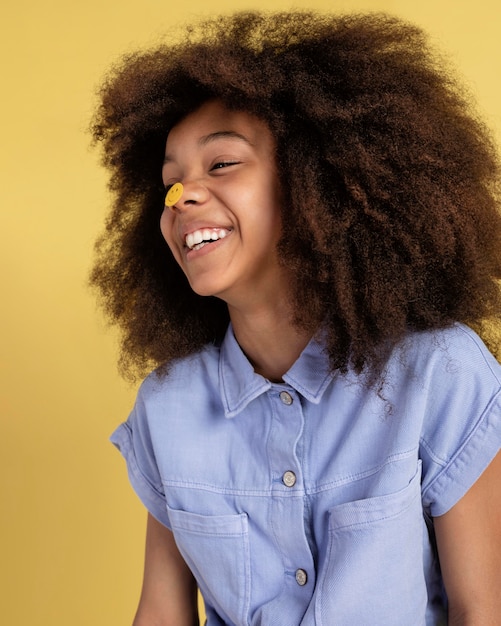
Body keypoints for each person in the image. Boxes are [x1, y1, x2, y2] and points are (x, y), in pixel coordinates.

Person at [90, 11, 501, 625]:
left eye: (221, 164)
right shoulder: (166, 407)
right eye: (171, 186)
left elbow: (484, 610)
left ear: (319, 183)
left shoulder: (439, 372)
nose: (185, 197)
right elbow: (161, 614)